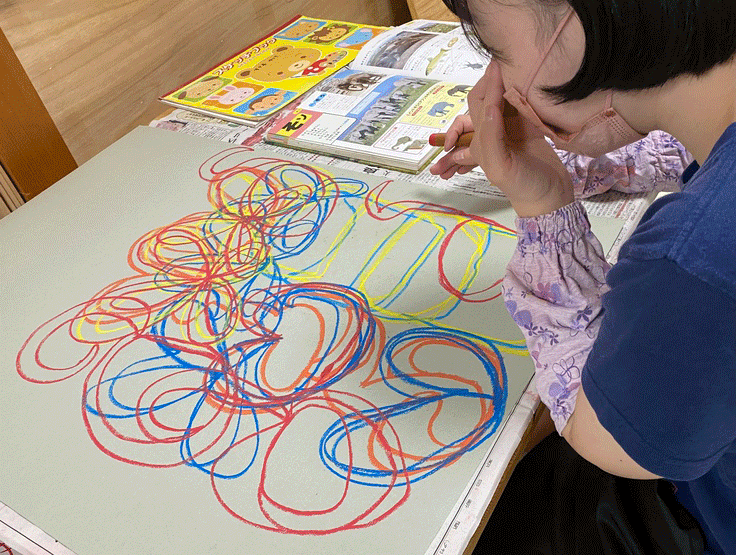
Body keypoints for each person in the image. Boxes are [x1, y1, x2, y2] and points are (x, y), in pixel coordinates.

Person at [429, 1, 736, 553]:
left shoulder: (695, 260)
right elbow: (688, 147)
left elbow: (606, 440)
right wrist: (575, 152)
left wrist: (543, 201)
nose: (495, 83)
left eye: (493, 48)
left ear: (580, 23)